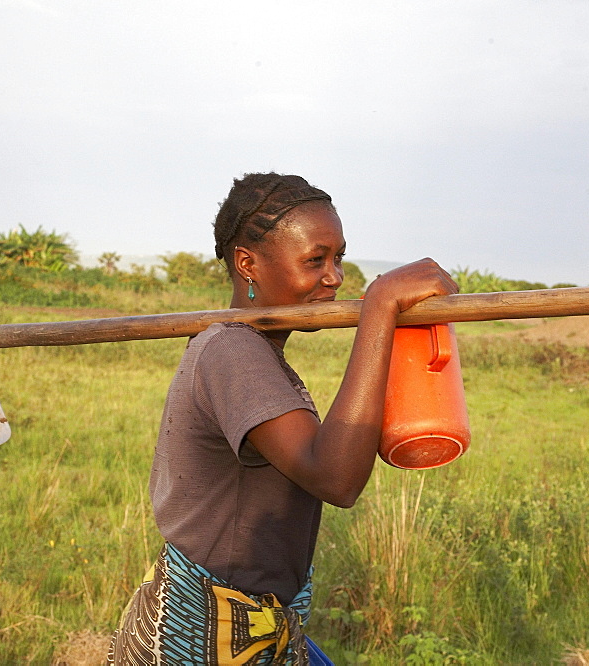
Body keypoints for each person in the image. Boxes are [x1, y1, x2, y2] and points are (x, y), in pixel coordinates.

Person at [109, 173, 458, 665]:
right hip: (205, 639)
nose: (335, 277)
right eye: (315, 260)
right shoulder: (231, 349)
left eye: (337, 258)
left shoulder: (245, 348)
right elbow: (336, 479)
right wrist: (380, 308)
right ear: (247, 264)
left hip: (262, 626)